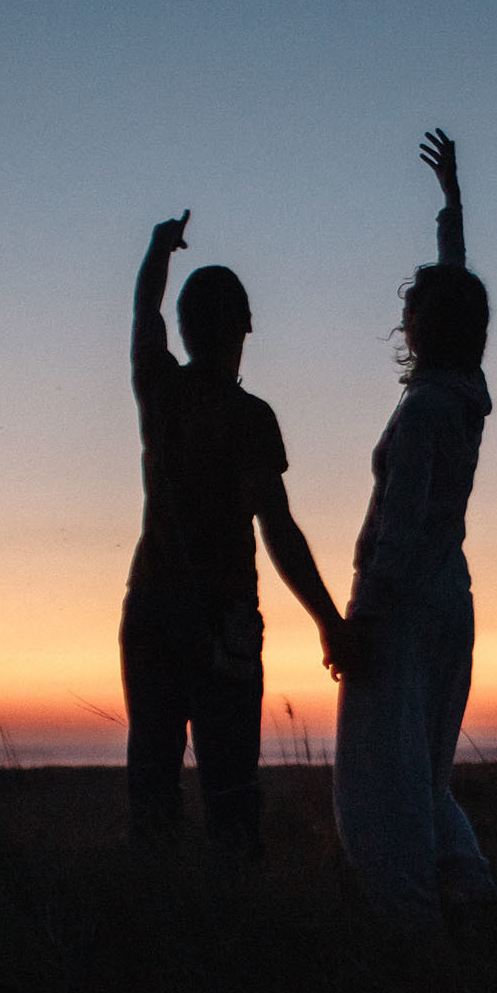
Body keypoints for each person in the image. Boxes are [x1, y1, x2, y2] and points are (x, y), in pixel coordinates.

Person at [122, 209, 348, 858]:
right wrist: (329, 619)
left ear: (187, 328)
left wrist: (159, 247)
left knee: (153, 790)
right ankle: (236, 928)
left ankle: (151, 923)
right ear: (246, 324)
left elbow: (143, 312)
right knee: (231, 796)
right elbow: (277, 527)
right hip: (221, 622)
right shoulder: (250, 418)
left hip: (150, 612)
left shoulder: (158, 389)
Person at [331, 128, 497, 924]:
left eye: (414, 313)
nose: (405, 320)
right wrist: (452, 209)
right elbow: (460, 288)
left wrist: (356, 623)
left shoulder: (432, 405)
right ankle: (467, 892)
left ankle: (409, 921)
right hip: (448, 605)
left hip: (401, 611)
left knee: (380, 782)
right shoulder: (464, 392)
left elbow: (397, 527)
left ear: (427, 329)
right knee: (425, 775)